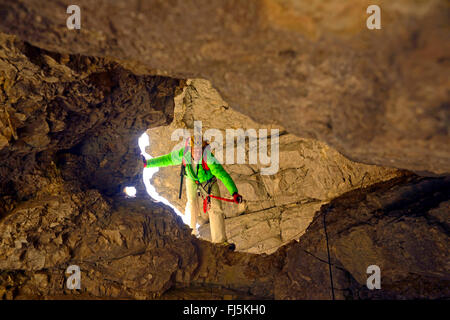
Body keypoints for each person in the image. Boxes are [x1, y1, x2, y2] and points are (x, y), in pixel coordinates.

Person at [143, 137, 243, 249]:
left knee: (216, 208)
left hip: (208, 181)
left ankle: (220, 242)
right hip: (191, 179)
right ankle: (192, 234)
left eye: (200, 150)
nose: (197, 153)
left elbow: (223, 175)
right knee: (192, 204)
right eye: (194, 150)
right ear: (190, 148)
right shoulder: (183, 154)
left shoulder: (208, 158)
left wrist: (234, 192)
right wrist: (147, 163)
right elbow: (167, 159)